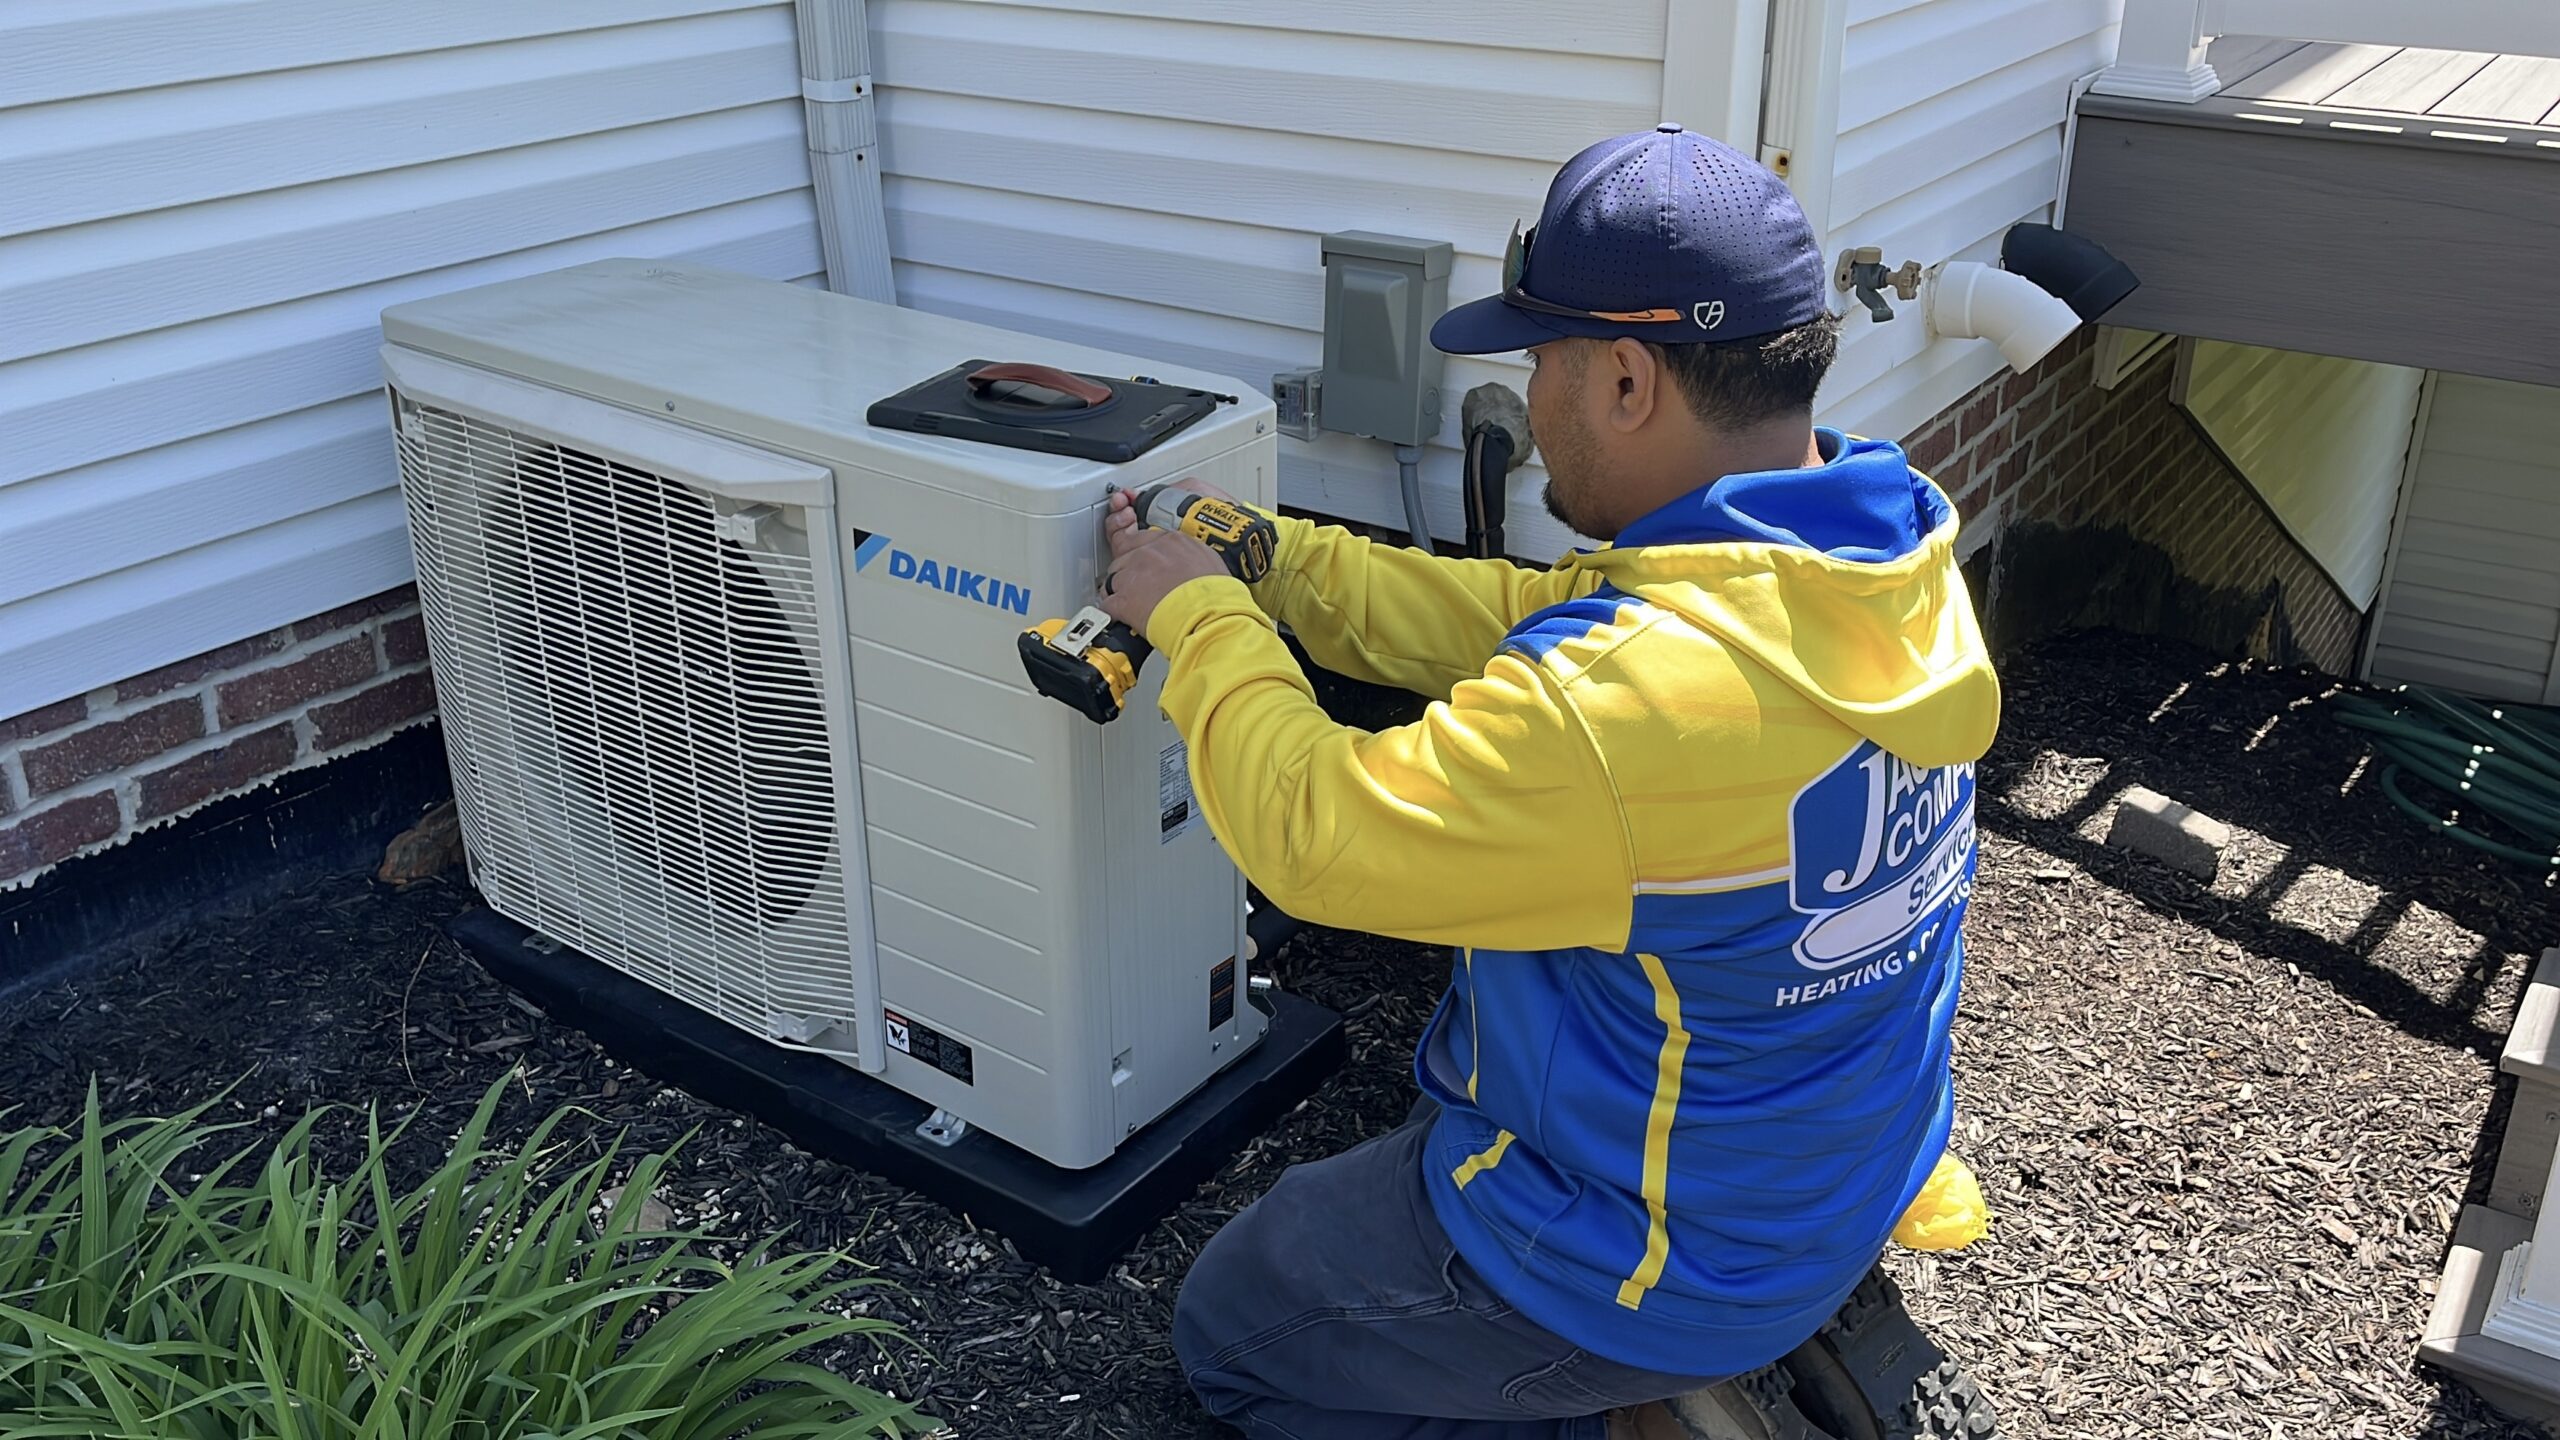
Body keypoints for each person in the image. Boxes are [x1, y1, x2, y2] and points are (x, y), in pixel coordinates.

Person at [1094, 124, 2001, 1440]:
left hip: (1655, 1256)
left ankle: (1597, 1392)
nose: (1530, 398)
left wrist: (1200, 627)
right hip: (1837, 1163)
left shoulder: (1615, 712)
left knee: (1240, 1323)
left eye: (1540, 360)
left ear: (1627, 378)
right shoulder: (1882, 552)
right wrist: (1270, 562)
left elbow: (1314, 834)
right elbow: (1531, 611)